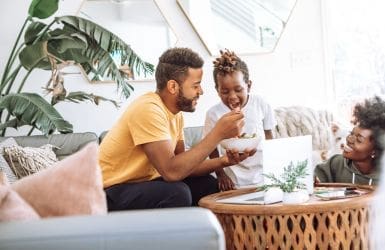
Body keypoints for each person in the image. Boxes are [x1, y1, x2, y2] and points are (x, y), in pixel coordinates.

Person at [99, 47, 256, 210]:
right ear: (173, 86)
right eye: (196, 86)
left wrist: (224, 161)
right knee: (177, 193)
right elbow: (171, 172)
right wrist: (217, 134)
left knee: (208, 185)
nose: (201, 92)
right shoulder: (148, 109)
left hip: (140, 185)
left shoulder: (176, 115)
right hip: (109, 192)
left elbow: (184, 166)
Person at [203, 49, 276, 191]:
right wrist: (220, 174)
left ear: (248, 85)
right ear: (217, 90)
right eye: (224, 91)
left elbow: (270, 135)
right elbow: (211, 149)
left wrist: (275, 166)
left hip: (264, 175)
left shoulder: (260, 103)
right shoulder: (213, 114)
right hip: (234, 179)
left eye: (238, 89)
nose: (232, 97)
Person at [314, 96, 385, 185]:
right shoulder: (336, 163)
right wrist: (313, 180)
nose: (349, 139)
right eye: (351, 133)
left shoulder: (382, 178)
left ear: (375, 151)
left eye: (359, 139)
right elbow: (311, 179)